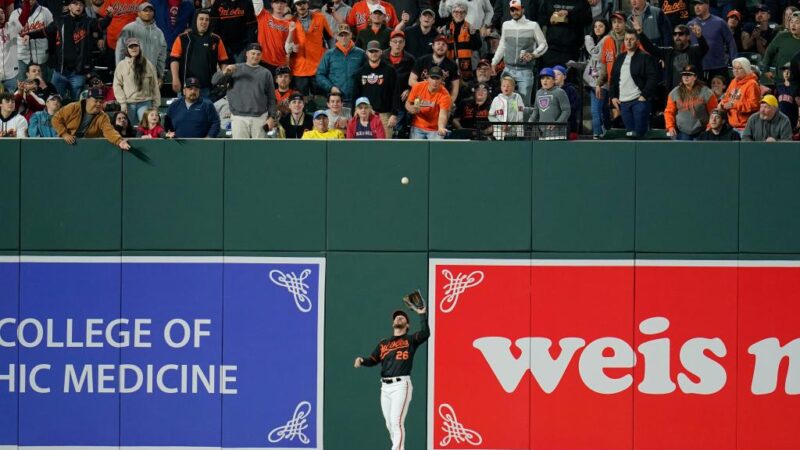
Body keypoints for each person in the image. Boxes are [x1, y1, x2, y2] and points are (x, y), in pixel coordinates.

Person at [353, 303, 429, 450]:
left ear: (407, 325)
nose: (399, 318)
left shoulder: (411, 340)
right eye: (396, 317)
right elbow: (373, 360)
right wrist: (362, 360)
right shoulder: (384, 343)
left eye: (402, 317)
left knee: (396, 422)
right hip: (385, 387)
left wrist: (422, 314)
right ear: (393, 323)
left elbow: (425, 333)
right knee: (389, 424)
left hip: (401, 385)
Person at [211, 42, 276, 138]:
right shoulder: (234, 69)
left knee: (259, 150)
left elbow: (271, 97)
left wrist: (272, 117)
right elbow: (214, 81)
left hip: (260, 118)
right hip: (238, 117)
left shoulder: (266, 73)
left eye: (258, 54)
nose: (255, 56)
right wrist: (224, 72)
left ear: (261, 56)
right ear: (247, 54)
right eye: (253, 53)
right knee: (240, 150)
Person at [491, 0, 547, 104]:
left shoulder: (533, 25)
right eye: (512, 10)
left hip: (525, 70)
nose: (514, 12)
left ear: (523, 9)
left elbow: (544, 44)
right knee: (505, 102)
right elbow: (502, 45)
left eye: (517, 9)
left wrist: (534, 54)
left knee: (524, 105)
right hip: (508, 69)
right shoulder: (506, 25)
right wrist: (494, 62)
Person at [609, 28, 659, 138]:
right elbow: (613, 78)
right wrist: (613, 96)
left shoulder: (645, 57)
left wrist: (644, 95)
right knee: (630, 134)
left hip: (639, 101)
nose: (628, 41)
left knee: (640, 134)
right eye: (626, 39)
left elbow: (653, 77)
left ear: (637, 41)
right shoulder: (620, 58)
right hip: (623, 102)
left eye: (631, 39)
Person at [170, 9, 231, 96]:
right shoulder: (182, 38)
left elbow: (223, 61)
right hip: (186, 87)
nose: (204, 22)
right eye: (201, 19)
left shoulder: (216, 39)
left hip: (208, 88)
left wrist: (225, 77)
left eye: (207, 19)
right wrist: (175, 78)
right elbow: (174, 59)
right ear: (195, 20)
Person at [634, 20, 708, 90]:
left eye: (681, 34)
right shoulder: (669, 52)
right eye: (675, 34)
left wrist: (699, 36)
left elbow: (705, 48)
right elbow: (651, 48)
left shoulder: (694, 50)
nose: (677, 37)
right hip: (675, 94)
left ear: (688, 37)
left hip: (694, 92)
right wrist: (640, 32)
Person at [51, 88, 131, 149]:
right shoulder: (73, 107)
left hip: (85, 146)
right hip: (65, 142)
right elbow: (56, 119)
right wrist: (64, 134)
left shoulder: (103, 116)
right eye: (96, 101)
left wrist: (120, 142)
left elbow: (109, 131)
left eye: (101, 102)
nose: (98, 104)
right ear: (87, 100)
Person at [285, 0, 332, 96]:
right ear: (294, 6)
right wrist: (292, 47)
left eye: (304, 3)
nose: (301, 6)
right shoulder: (290, 21)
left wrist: (330, 61)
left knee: (320, 100)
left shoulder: (320, 18)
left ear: (308, 4)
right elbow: (285, 43)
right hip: (299, 68)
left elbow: (329, 39)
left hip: (318, 68)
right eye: (298, 4)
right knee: (301, 100)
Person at [353, 40, 397, 137]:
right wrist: (355, 111)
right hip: (365, 115)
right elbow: (356, 95)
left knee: (385, 147)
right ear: (366, 53)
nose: (373, 54)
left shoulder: (390, 71)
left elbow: (395, 93)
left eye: (376, 51)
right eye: (371, 51)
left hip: (384, 115)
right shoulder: (360, 72)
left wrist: (394, 114)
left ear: (381, 52)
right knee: (365, 147)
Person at [114, 37, 161, 124]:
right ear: (127, 49)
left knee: (146, 129)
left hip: (145, 102)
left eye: (136, 46)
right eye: (131, 47)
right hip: (128, 104)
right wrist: (122, 103)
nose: (134, 48)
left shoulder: (148, 64)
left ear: (139, 47)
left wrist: (156, 105)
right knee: (128, 130)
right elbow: (116, 86)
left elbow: (154, 86)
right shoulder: (121, 65)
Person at [664, 64, 718, 140]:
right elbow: (669, 112)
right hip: (681, 131)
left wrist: (710, 126)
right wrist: (670, 126)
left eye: (689, 75)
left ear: (695, 77)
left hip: (702, 130)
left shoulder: (706, 92)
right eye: (684, 75)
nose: (686, 77)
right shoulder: (675, 92)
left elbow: (714, 111)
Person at [115, 2, 168, 78]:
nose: (148, 13)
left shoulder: (158, 33)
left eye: (150, 11)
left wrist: (160, 75)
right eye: (145, 10)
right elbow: (120, 51)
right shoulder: (129, 28)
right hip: (131, 74)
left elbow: (162, 56)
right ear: (139, 13)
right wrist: (120, 72)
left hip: (151, 75)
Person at [316, 24, 366, 104]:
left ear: (351, 35)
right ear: (337, 37)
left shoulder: (361, 53)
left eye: (346, 35)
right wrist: (331, 87)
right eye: (341, 35)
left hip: (357, 99)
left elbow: (367, 73)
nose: (344, 38)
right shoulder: (329, 54)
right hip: (336, 100)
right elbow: (320, 75)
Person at [687, 0, 734, 81]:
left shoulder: (720, 22)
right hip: (698, 69)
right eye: (695, 4)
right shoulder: (690, 25)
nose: (697, 7)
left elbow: (731, 42)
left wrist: (734, 61)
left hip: (718, 67)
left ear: (707, 5)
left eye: (700, 4)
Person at [537, 0, 591, 68]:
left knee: (569, 76)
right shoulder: (548, 1)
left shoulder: (582, 2)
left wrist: (569, 15)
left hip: (572, 49)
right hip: (551, 48)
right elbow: (541, 19)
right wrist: (550, 19)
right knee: (550, 76)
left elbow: (588, 20)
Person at [9, 0, 53, 82]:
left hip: (41, 55)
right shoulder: (14, 14)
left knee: (42, 86)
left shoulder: (45, 12)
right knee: (22, 86)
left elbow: (52, 32)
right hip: (21, 57)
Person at [409, 35, 460, 104]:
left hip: (441, 100)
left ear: (447, 48)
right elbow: (411, 81)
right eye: (438, 43)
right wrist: (428, 87)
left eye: (444, 44)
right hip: (421, 98)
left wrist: (449, 103)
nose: (441, 46)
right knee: (414, 109)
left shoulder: (452, 65)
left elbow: (455, 89)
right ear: (433, 46)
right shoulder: (421, 60)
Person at [405, 65, 451, 139]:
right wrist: (411, 109)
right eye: (432, 78)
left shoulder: (445, 95)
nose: (434, 81)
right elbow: (408, 103)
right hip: (418, 126)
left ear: (442, 80)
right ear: (427, 78)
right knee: (416, 150)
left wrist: (441, 127)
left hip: (435, 129)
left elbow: (443, 115)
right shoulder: (418, 87)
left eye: (437, 78)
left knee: (436, 150)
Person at [585, 17, 610, 138]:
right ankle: (606, 130)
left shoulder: (606, 39)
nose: (597, 29)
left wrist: (588, 40)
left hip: (601, 80)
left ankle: (597, 133)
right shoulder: (599, 40)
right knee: (602, 109)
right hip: (593, 80)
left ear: (606, 28)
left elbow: (595, 54)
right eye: (595, 26)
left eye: (600, 26)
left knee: (596, 109)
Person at [719, 56, 759, 130]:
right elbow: (726, 98)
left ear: (746, 69)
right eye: (734, 68)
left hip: (746, 127)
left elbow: (754, 105)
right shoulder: (733, 82)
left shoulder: (752, 84)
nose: (735, 71)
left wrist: (734, 104)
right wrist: (722, 104)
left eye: (739, 68)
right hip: (732, 126)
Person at [527, 67, 570, 136]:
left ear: (553, 80)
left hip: (558, 132)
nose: (545, 81)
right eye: (542, 78)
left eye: (548, 78)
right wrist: (530, 121)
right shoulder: (538, 93)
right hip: (542, 132)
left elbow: (566, 110)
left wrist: (557, 123)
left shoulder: (559, 92)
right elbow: (536, 110)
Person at [762, 14, 800, 82]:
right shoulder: (782, 36)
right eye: (791, 22)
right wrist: (765, 70)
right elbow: (769, 52)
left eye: (797, 23)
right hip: (780, 80)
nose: (793, 25)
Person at [489, 74, 527, 139]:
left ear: (513, 88)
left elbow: (520, 114)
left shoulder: (517, 98)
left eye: (508, 86)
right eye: (503, 86)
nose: (506, 88)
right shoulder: (496, 99)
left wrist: (509, 126)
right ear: (501, 87)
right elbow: (491, 116)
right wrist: (501, 125)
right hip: (499, 135)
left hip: (515, 134)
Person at [552, 65, 580, 139]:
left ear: (564, 77)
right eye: (553, 74)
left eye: (558, 74)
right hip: (551, 128)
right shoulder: (547, 91)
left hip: (569, 127)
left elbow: (574, 107)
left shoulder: (571, 90)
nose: (555, 76)